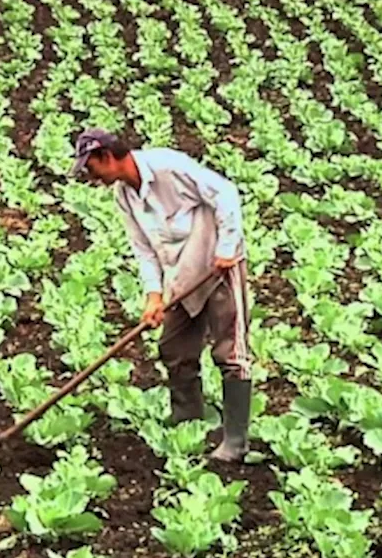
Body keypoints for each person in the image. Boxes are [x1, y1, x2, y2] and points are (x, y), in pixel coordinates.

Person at [71, 127, 252, 463]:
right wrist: (153, 295)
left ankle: (236, 441)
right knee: (174, 347)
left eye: (91, 168)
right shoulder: (124, 195)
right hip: (180, 277)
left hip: (217, 268)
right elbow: (144, 249)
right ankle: (188, 424)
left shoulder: (168, 166)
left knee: (230, 352)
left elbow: (225, 193)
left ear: (107, 157)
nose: (90, 177)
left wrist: (227, 248)